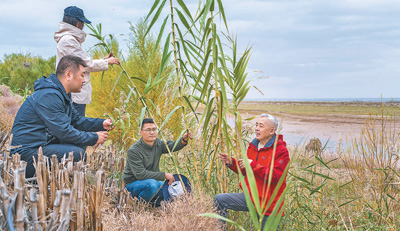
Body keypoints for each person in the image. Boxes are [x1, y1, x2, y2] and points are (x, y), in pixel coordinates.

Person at [11, 55, 113, 178]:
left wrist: (101, 124)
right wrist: (94, 138)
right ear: (68, 75)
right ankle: (40, 184)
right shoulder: (49, 96)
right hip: (26, 155)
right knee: (77, 154)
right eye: (82, 75)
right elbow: (64, 132)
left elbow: (76, 120)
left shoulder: (60, 94)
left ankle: (61, 183)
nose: (84, 80)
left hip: (40, 147)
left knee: (79, 146)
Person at [214, 114, 290, 230]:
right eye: (256, 125)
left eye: (261, 126)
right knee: (219, 200)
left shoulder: (280, 151)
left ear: (271, 131)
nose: (256, 128)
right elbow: (247, 171)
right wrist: (231, 163)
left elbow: (275, 177)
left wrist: (252, 164)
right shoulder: (253, 147)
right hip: (250, 198)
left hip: (269, 205)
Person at [54, 6, 120, 116]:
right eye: (81, 22)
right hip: (74, 93)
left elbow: (81, 61)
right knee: (76, 125)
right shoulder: (69, 40)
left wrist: (104, 60)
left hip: (74, 92)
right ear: (76, 22)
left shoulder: (69, 39)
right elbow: (85, 64)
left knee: (75, 124)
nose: (83, 26)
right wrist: (106, 62)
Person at [122, 118, 193, 206]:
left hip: (153, 183)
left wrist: (184, 139)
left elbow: (172, 146)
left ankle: (153, 203)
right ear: (140, 132)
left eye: (154, 129)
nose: (152, 132)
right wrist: (164, 175)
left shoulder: (158, 143)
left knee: (172, 189)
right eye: (148, 130)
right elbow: (140, 174)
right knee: (152, 185)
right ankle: (137, 205)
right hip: (133, 185)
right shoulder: (134, 150)